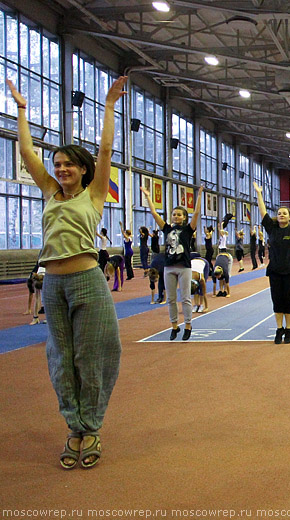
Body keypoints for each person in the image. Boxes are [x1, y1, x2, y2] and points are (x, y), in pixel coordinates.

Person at [7, 76, 127, 469]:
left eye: (68, 164)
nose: (61, 169)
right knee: (61, 358)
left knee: (92, 357)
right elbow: (26, 152)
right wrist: (23, 111)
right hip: (53, 284)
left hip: (88, 282)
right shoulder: (48, 191)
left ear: (82, 168)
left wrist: (109, 105)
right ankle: (73, 427)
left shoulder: (93, 195)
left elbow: (107, 148)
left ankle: (91, 427)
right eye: (57, 164)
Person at [141, 184, 204, 341]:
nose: (176, 217)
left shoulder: (188, 230)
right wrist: (148, 197)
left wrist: (200, 195)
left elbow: (196, 213)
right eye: (174, 214)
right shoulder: (167, 229)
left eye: (179, 215)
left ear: (184, 218)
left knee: (185, 298)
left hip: (183, 267)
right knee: (170, 299)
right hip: (168, 267)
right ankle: (174, 326)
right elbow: (154, 213)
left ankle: (188, 325)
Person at [254, 180, 290, 344]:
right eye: (279, 213)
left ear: (289, 216)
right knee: (277, 301)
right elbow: (263, 212)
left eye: (284, 213)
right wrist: (258, 193)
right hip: (275, 271)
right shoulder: (272, 229)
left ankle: (289, 329)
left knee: (289, 301)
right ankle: (279, 329)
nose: (281, 215)